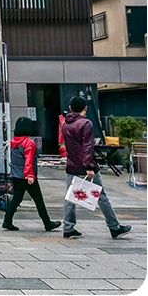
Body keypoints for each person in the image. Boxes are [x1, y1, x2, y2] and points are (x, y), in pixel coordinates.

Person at [62, 96, 131, 239]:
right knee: (101, 196)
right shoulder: (85, 123)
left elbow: (73, 147)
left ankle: (68, 228)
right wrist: (89, 165)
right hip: (85, 166)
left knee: (70, 198)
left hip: (72, 165)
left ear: (70, 108)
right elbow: (87, 147)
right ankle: (114, 227)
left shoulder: (66, 124)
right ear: (85, 108)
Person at [2, 118, 61, 231]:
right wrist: (30, 175)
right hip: (28, 177)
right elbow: (28, 160)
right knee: (39, 201)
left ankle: (7, 220)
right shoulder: (28, 143)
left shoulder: (13, 141)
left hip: (16, 175)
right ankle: (48, 224)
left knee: (16, 199)